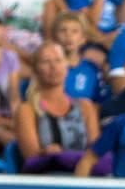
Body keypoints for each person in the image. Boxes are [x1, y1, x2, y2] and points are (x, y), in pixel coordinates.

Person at [12, 41, 97, 173]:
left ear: (67, 65)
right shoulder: (26, 110)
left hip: (84, 178)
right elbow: (32, 158)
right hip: (46, 180)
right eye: (46, 61)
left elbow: (96, 152)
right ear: (35, 70)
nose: (53, 67)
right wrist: (46, 153)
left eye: (58, 60)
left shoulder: (85, 106)